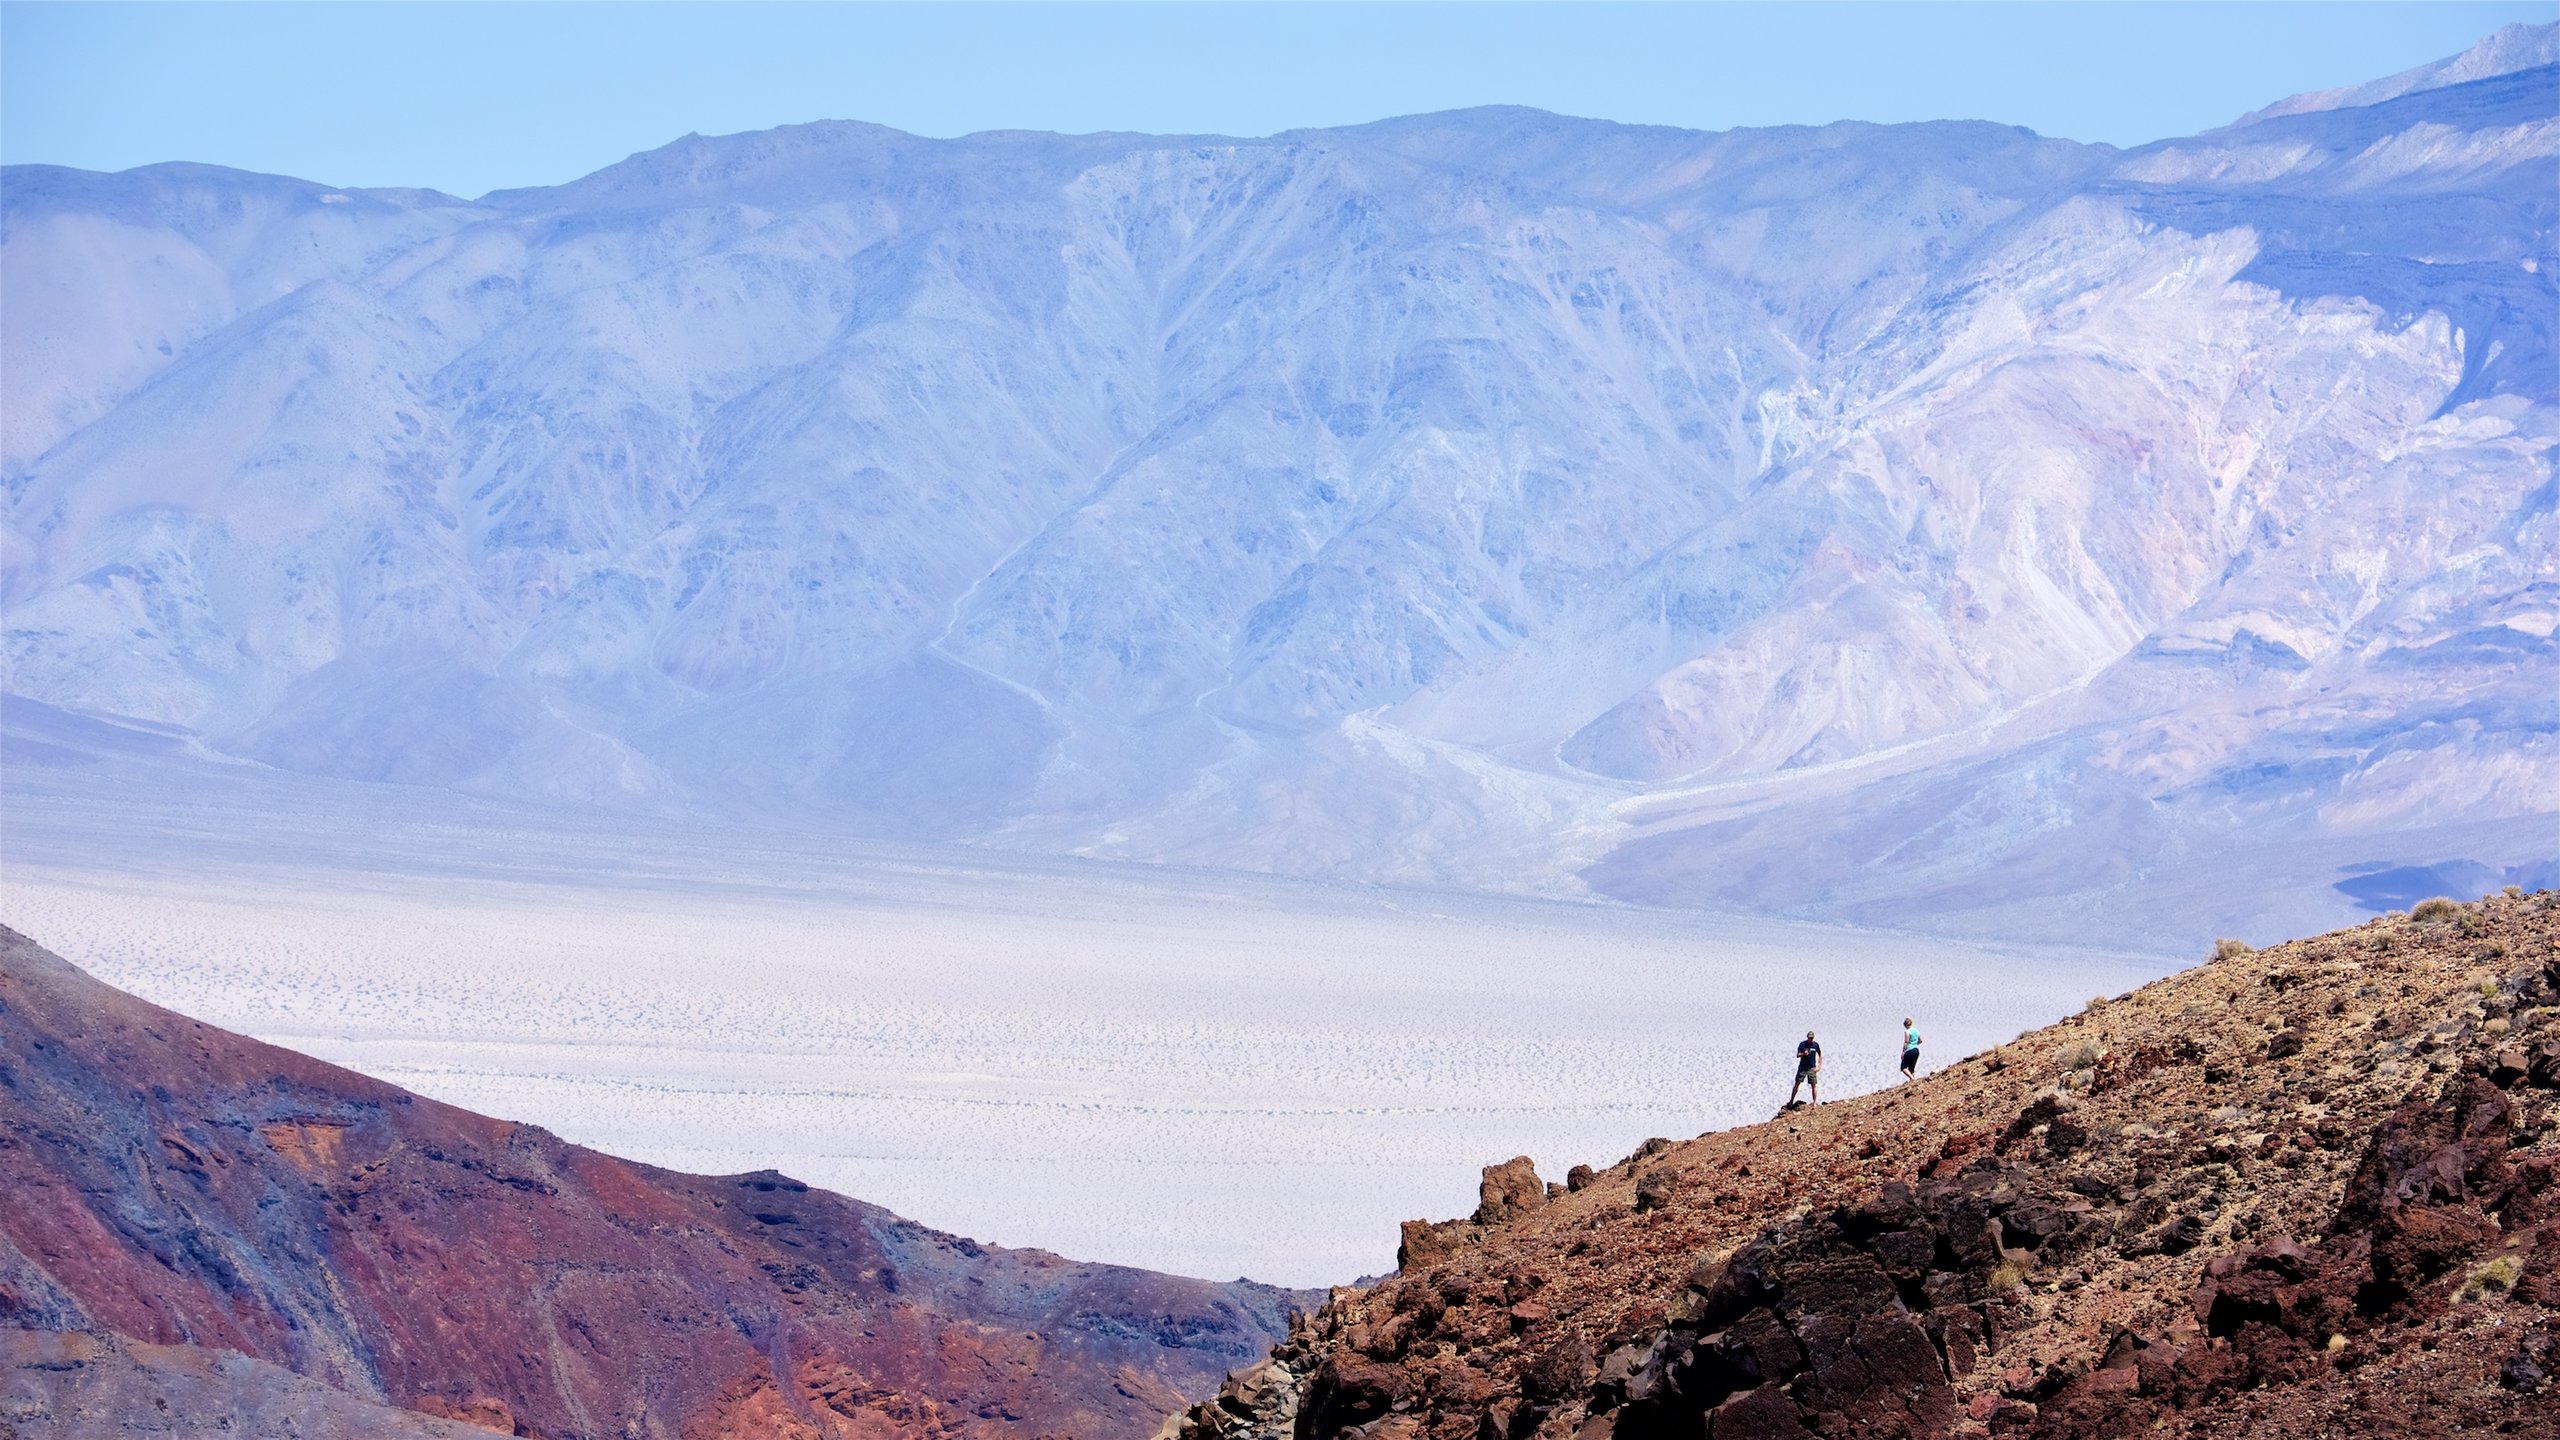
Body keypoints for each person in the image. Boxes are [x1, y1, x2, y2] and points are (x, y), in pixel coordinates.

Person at [1787, 1030, 1822, 1106]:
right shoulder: (1802, 1044)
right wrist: (1803, 1054)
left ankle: (1815, 1102)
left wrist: (1819, 1066)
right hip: (1803, 1067)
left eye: (1812, 1038)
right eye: (1809, 1038)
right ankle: (1791, 1100)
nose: (1811, 1039)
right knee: (1797, 1083)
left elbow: (1820, 1055)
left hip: (1812, 1067)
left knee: (1814, 1084)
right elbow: (1798, 1055)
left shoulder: (1816, 1045)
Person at [1900, 1017, 1923, 1082]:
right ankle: (1912, 1082)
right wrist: (1915, 1044)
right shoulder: (1916, 1030)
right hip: (1916, 1050)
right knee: (1911, 1068)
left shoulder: (1907, 1031)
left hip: (1909, 1050)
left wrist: (1903, 1052)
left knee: (1903, 1068)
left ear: (1905, 1025)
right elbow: (1921, 1040)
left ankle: (1912, 1079)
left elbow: (1906, 1042)